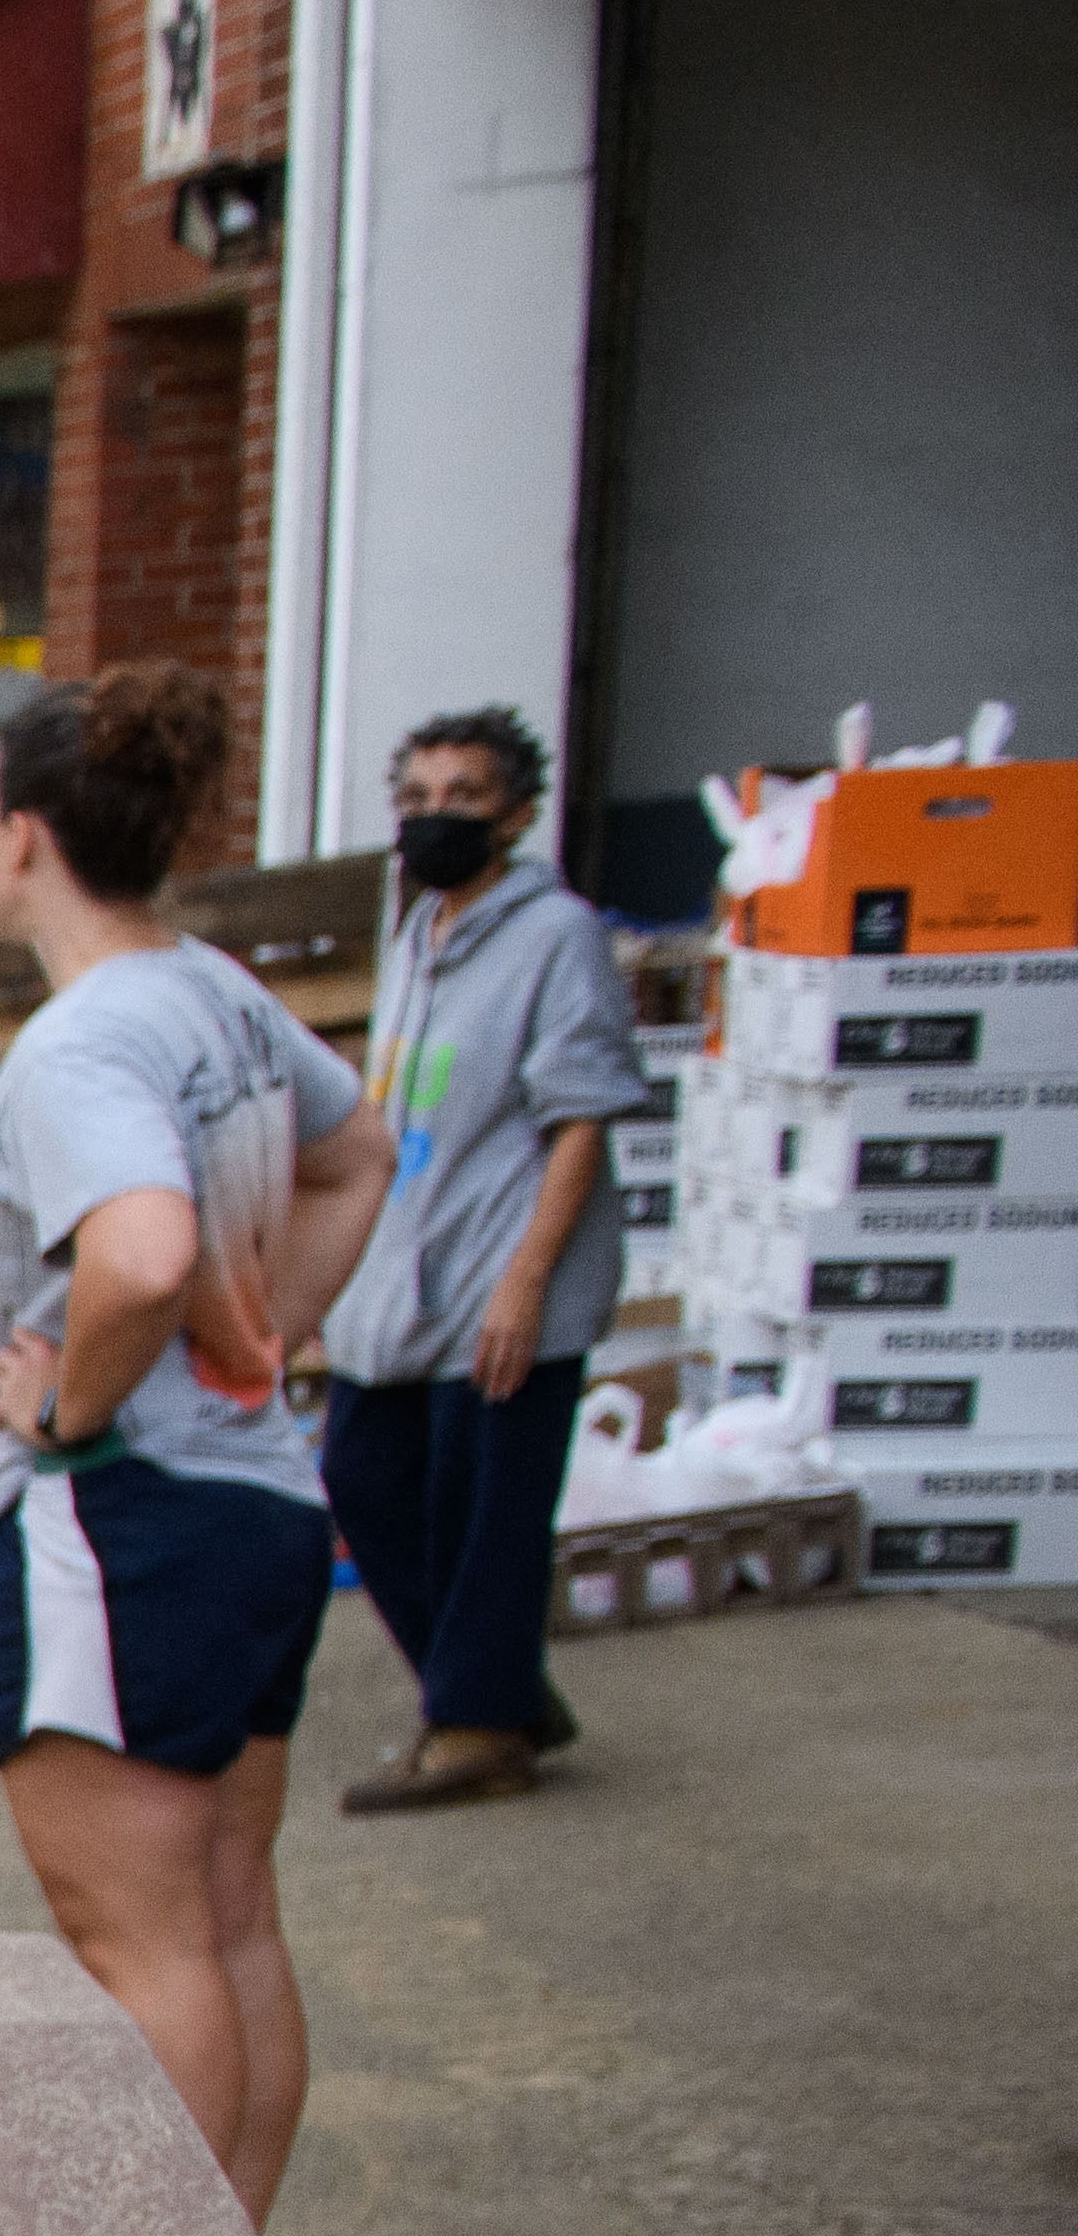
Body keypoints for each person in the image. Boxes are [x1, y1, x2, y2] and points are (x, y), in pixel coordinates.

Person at [0, 665, 394, 2236]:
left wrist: (74, 1406)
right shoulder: (216, 992)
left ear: (27, 837)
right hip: (255, 1506)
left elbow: (137, 1252)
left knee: (139, 1945)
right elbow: (359, 1149)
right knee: (228, 1920)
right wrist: (260, 1341)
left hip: (119, 1525)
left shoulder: (83, 1045)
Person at [319, 703, 642, 1814]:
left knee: (484, 1506)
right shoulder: (417, 931)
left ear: (517, 811)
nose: (435, 818)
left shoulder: (558, 936)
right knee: (366, 1474)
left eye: (462, 797)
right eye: (415, 798)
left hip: (506, 1279)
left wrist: (527, 1280)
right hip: (413, 1272)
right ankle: (497, 1689)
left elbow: (582, 1118)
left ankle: (477, 1729)